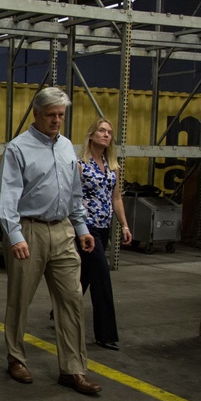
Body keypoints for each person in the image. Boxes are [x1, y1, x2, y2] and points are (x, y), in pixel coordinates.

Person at [0, 87, 100, 395]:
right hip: (29, 231)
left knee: (72, 299)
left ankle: (73, 368)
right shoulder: (18, 148)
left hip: (64, 230)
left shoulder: (67, 147)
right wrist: (14, 235)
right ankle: (16, 358)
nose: (57, 120)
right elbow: (8, 197)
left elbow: (74, 192)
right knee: (20, 299)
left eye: (61, 115)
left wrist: (81, 228)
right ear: (36, 114)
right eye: (51, 115)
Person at [77, 119, 132, 351]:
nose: (106, 135)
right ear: (91, 135)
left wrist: (125, 225)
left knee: (86, 276)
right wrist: (78, 227)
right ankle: (106, 334)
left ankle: (58, 310)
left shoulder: (113, 166)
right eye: (101, 130)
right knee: (102, 278)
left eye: (109, 132)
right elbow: (74, 197)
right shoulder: (79, 164)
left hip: (104, 227)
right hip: (85, 229)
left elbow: (116, 198)